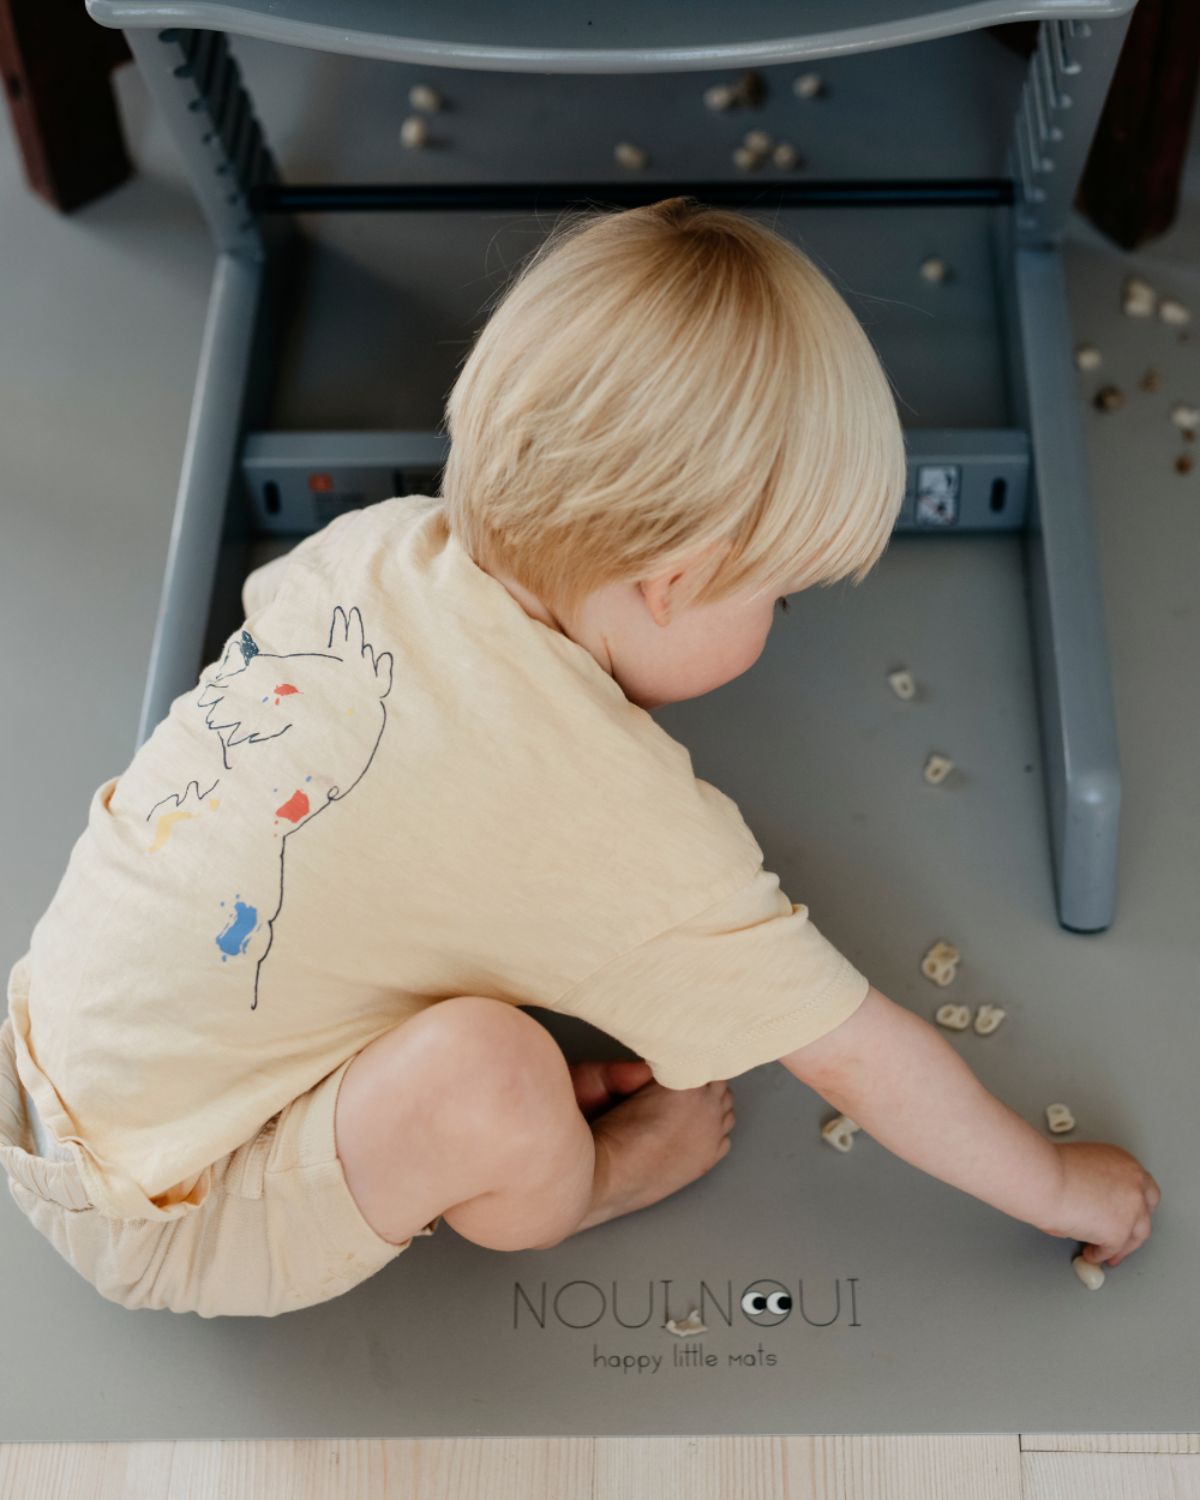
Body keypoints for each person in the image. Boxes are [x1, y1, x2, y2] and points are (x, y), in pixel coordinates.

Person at [0, 198, 1159, 1318]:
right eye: (781, 597)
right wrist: (1060, 1184)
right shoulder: (625, 827)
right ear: (673, 583)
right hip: (162, 1210)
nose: (781, 619)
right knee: (493, 1078)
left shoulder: (375, 546)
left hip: (43, 1039)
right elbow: (855, 1057)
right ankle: (606, 1179)